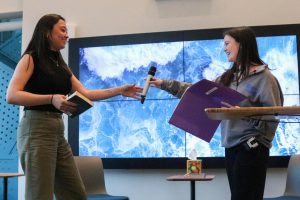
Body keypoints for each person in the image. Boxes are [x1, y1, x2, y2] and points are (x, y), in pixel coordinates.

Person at [6, 14, 142, 200]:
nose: (66, 35)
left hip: (56, 131)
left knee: (75, 194)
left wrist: (120, 90)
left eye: (67, 31)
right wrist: (51, 98)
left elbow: (85, 94)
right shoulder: (31, 59)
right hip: (36, 129)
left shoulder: (61, 65)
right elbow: (12, 95)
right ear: (46, 33)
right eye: (62, 30)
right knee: (39, 195)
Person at [149, 26, 283, 200]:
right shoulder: (229, 77)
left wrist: (243, 114)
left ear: (241, 44)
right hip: (231, 147)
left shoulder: (265, 78)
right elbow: (197, 92)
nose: (224, 48)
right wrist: (163, 84)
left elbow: (273, 117)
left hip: (252, 148)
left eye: (227, 43)